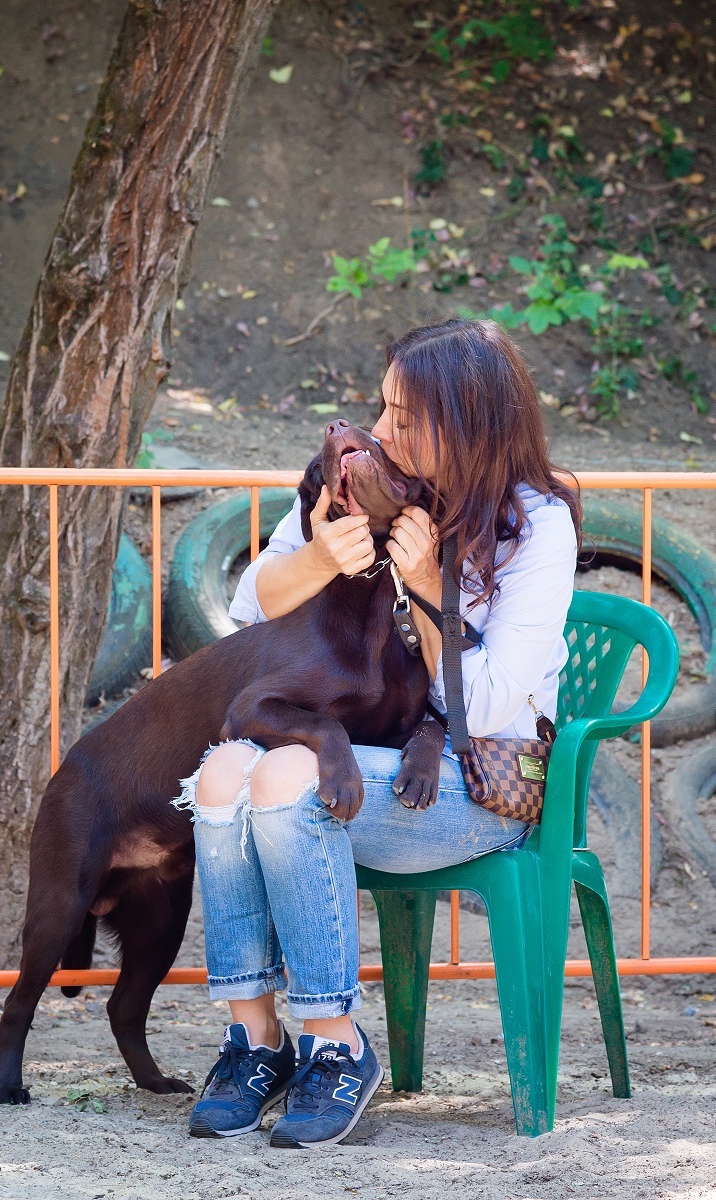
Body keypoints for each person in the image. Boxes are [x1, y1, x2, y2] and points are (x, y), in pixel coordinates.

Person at [178, 318, 582, 1149]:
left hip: (485, 783)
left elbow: (493, 709)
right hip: (380, 765)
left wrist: (432, 584)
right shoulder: (366, 478)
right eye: (385, 408)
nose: (384, 430)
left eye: (407, 417)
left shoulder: (535, 524)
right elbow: (255, 605)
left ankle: (336, 1044)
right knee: (225, 771)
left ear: (465, 424)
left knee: (283, 779)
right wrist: (324, 558)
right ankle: (254, 1042)